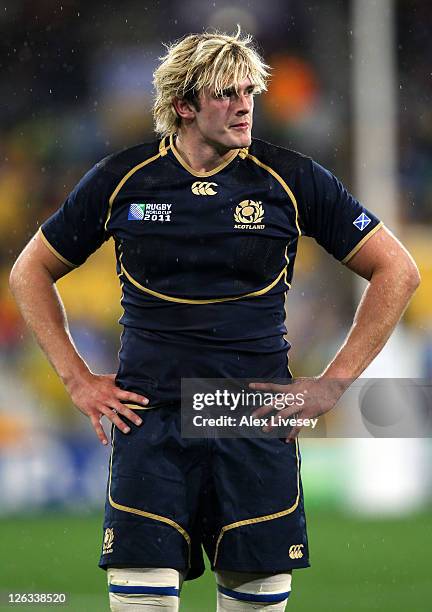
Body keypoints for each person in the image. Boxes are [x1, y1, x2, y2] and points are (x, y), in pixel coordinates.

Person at [10, 28, 420, 612]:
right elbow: (30, 271)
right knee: (142, 605)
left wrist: (332, 384)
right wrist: (78, 377)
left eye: (250, 91)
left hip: (252, 423)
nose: (245, 104)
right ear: (183, 105)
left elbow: (397, 272)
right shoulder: (122, 179)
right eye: (227, 93)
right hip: (149, 422)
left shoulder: (290, 178)